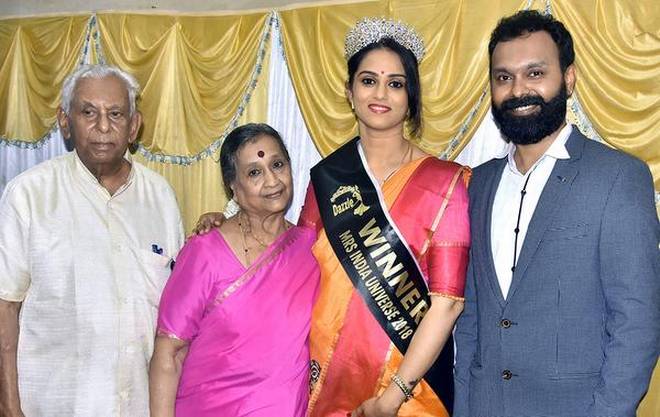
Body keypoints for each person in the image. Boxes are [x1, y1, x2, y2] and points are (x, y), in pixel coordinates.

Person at [194, 18, 470, 417]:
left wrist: (391, 399)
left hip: (410, 394)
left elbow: (447, 304)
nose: (381, 93)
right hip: (322, 384)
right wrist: (229, 223)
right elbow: (290, 261)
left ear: (411, 95)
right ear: (349, 91)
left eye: (395, 83)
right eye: (368, 80)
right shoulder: (326, 179)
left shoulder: (447, 184)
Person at [453, 10, 659, 417]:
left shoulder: (617, 177)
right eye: (503, 77)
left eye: (535, 73)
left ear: (568, 78)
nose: (517, 90)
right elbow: (471, 319)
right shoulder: (476, 184)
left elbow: (637, 323)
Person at [0, 64, 184, 417]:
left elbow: (176, 310)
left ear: (134, 126)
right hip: (54, 406)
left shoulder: (160, 196)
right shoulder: (28, 195)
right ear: (65, 122)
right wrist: (9, 406)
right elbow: (5, 306)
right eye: (88, 112)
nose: (103, 126)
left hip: (139, 407)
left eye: (115, 114)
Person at [149, 123, 319, 417]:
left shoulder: (311, 250)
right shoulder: (205, 252)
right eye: (254, 172)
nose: (272, 180)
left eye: (277, 164)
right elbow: (169, 353)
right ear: (233, 186)